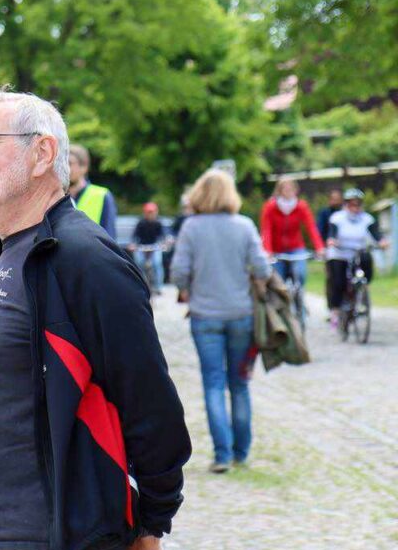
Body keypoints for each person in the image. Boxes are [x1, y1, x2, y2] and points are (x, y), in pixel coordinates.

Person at [0, 90, 191, 550]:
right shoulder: (11, 255)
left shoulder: (83, 257)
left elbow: (149, 401)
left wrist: (150, 523)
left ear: (41, 154)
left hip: (49, 535)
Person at [170, 169, 271, 474]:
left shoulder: (191, 228)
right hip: (242, 315)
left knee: (213, 383)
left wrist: (188, 290)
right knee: (239, 384)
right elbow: (263, 268)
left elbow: (177, 272)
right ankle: (242, 451)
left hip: (205, 318)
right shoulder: (244, 226)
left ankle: (222, 454)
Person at [325, 188, 391, 326]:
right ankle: (335, 311)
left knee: (367, 261)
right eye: (352, 204)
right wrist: (332, 240)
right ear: (346, 204)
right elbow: (332, 233)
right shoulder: (337, 218)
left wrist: (382, 242)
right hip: (340, 252)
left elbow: (375, 234)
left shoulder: (367, 218)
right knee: (338, 282)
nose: (355, 207)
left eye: (358, 204)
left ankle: (361, 294)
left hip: (358, 251)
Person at [259, 177, 324, 291]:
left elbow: (311, 227)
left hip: (296, 248)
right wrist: (267, 251)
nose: (289, 191)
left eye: (291, 188)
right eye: (285, 188)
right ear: (279, 190)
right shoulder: (270, 207)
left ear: (295, 190)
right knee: (278, 283)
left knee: (300, 274)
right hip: (276, 250)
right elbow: (266, 230)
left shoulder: (301, 206)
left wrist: (319, 247)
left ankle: (300, 303)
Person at [68, 144, 118, 238]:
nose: (65, 168)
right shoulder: (56, 196)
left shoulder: (102, 195)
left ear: (84, 167)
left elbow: (110, 239)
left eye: (69, 163)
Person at [317, 187, 345, 314]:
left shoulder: (345, 213)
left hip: (345, 248)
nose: (336, 201)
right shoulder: (325, 213)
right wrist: (323, 246)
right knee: (331, 278)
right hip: (329, 249)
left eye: (338, 199)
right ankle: (331, 307)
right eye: (334, 199)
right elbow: (320, 230)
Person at [129, 202, 166, 292]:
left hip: (154, 246)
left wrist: (163, 243)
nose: (150, 214)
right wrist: (133, 244)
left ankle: (158, 287)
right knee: (139, 263)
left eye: (152, 212)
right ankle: (140, 284)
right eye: (148, 212)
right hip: (142, 246)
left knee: (157, 263)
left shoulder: (158, 223)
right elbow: (135, 236)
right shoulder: (141, 223)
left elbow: (162, 236)